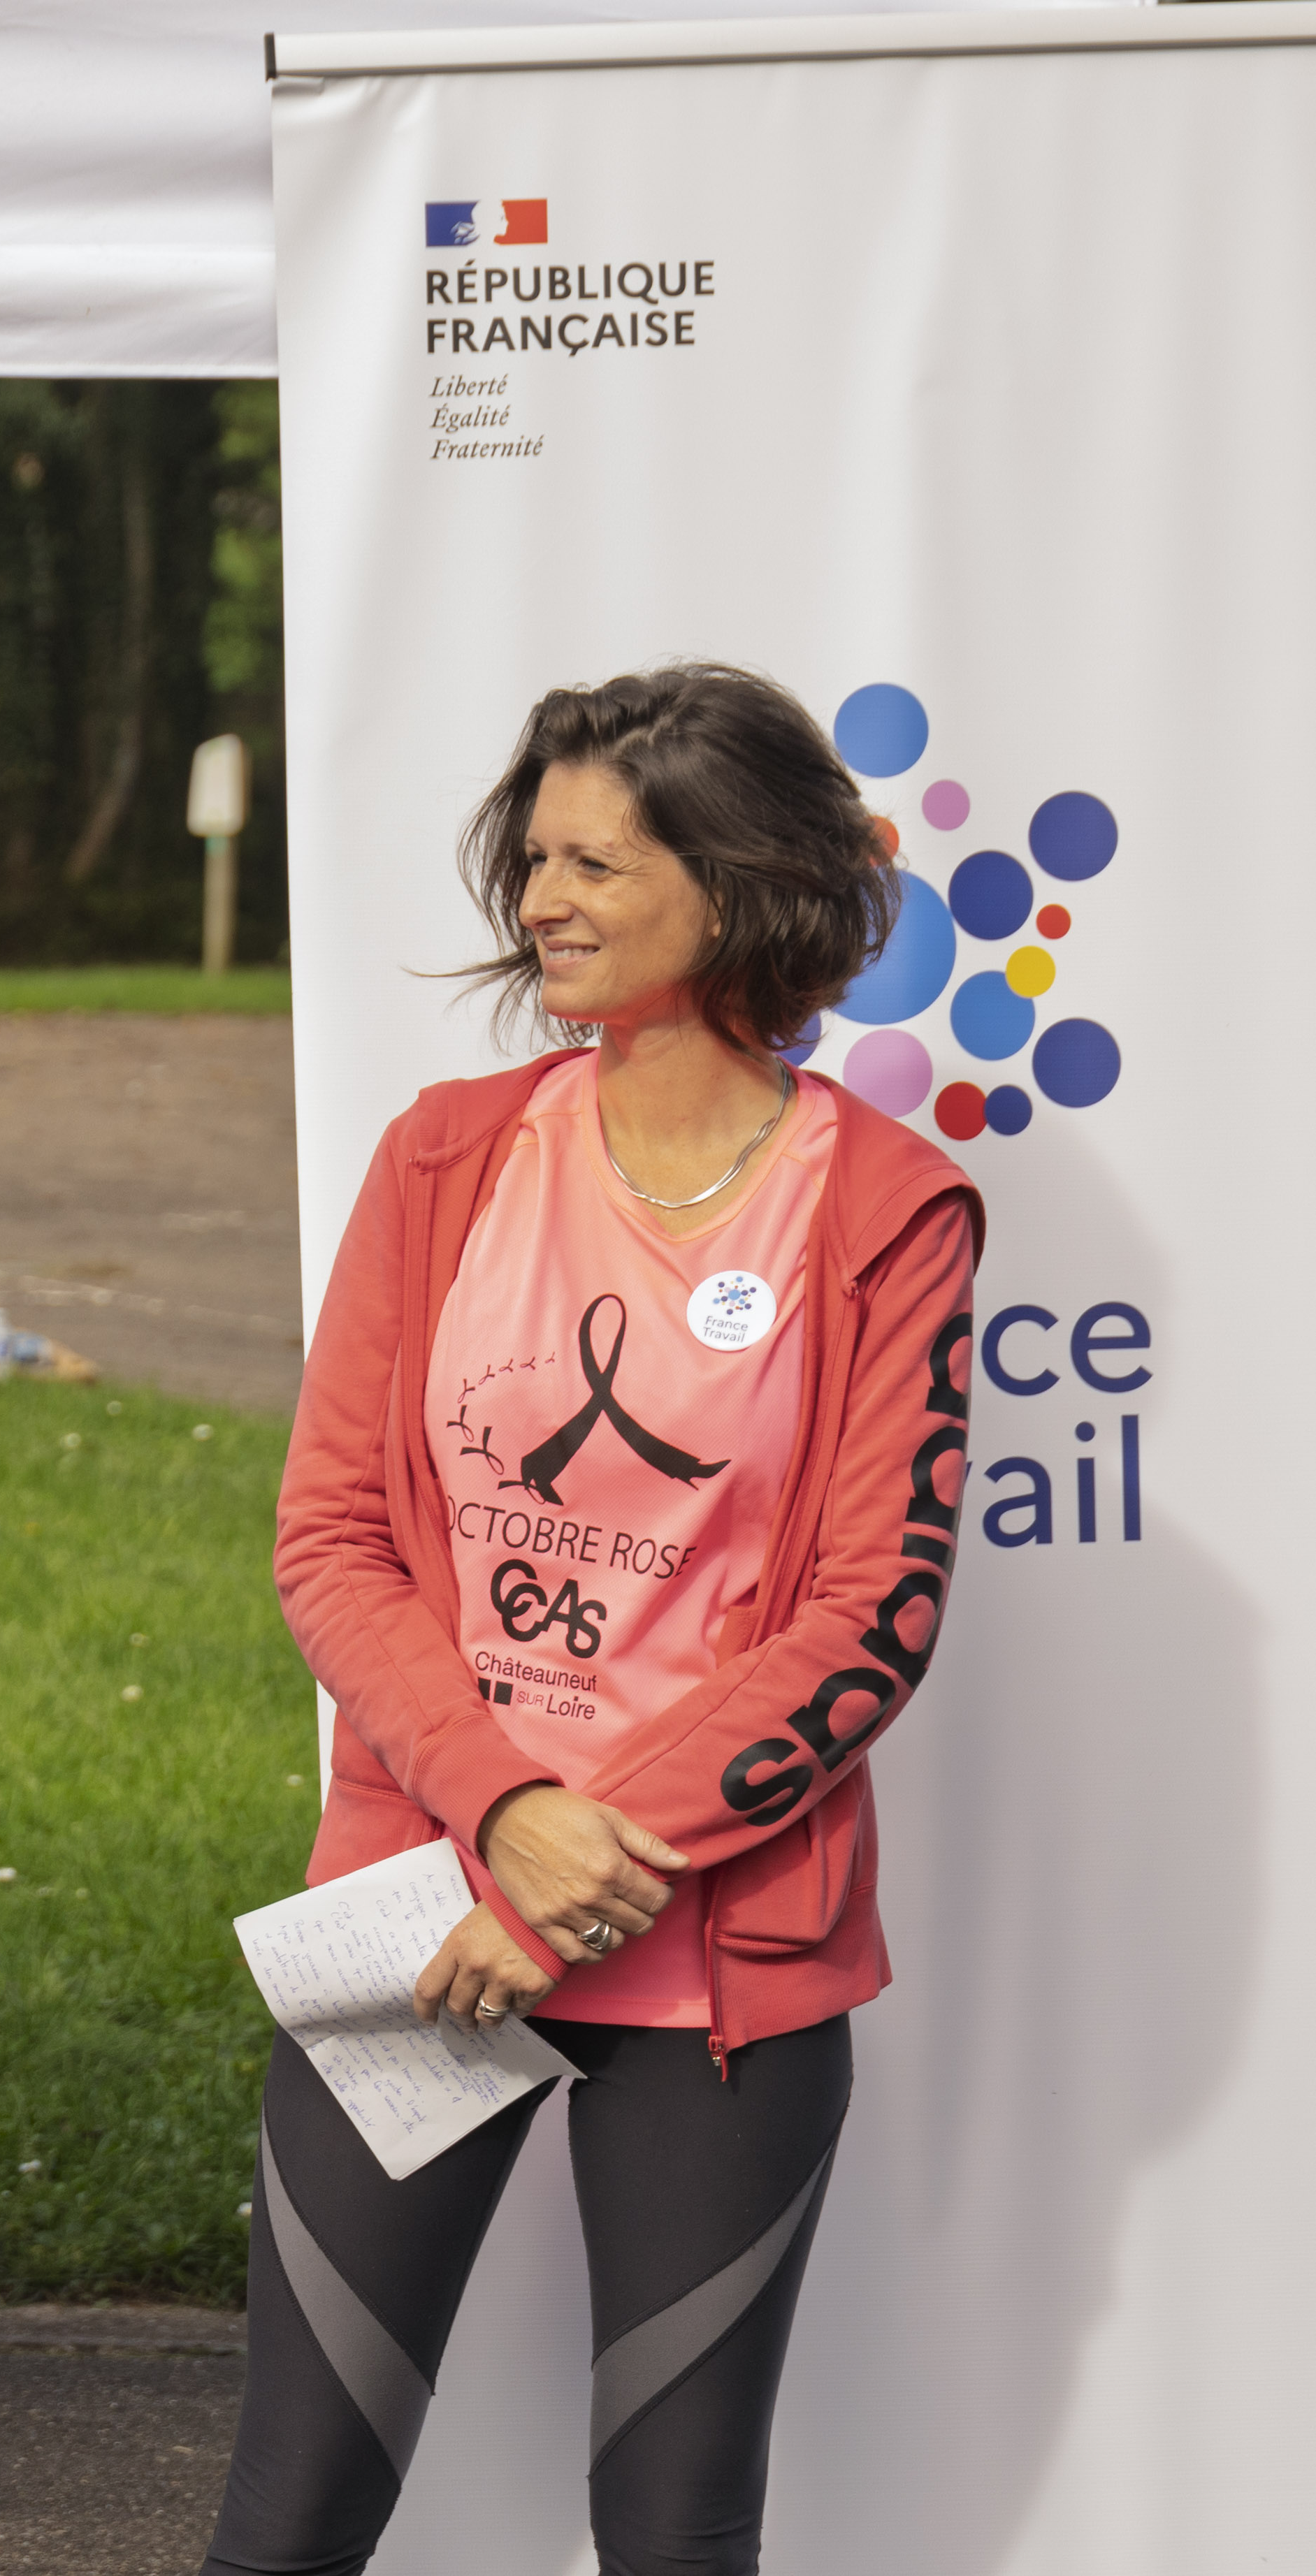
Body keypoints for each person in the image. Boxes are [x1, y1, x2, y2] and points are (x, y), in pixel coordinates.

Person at [205, 665, 982, 2576]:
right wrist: (499, 1814)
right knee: (289, 2514)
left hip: (721, 1956)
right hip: (419, 1912)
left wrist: (585, 1854)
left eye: (592, 861)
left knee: (670, 2531)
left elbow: (869, 1611)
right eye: (531, 857)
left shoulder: (890, 1209)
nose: (538, 897)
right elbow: (328, 1541)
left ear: (739, 884)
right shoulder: (448, 1156)